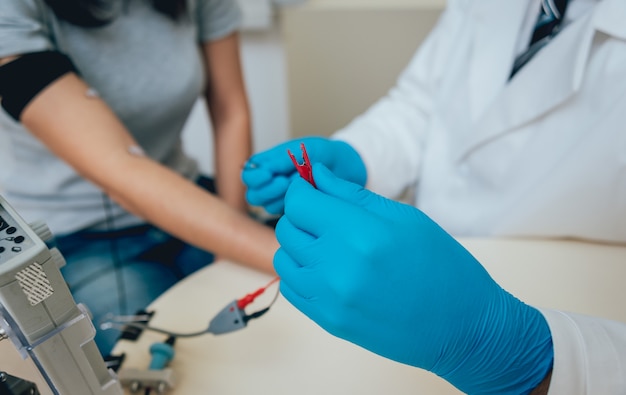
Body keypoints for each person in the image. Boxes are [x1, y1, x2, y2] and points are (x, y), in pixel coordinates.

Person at [242, 0, 626, 393]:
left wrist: (530, 356)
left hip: (576, 298)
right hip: (414, 299)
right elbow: (421, 103)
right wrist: (362, 156)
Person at [0, 0, 278, 357]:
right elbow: (120, 170)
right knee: (165, 359)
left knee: (275, 324)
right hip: (80, 238)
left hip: (190, 199)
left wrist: (232, 241)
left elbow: (230, 108)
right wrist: (289, 258)